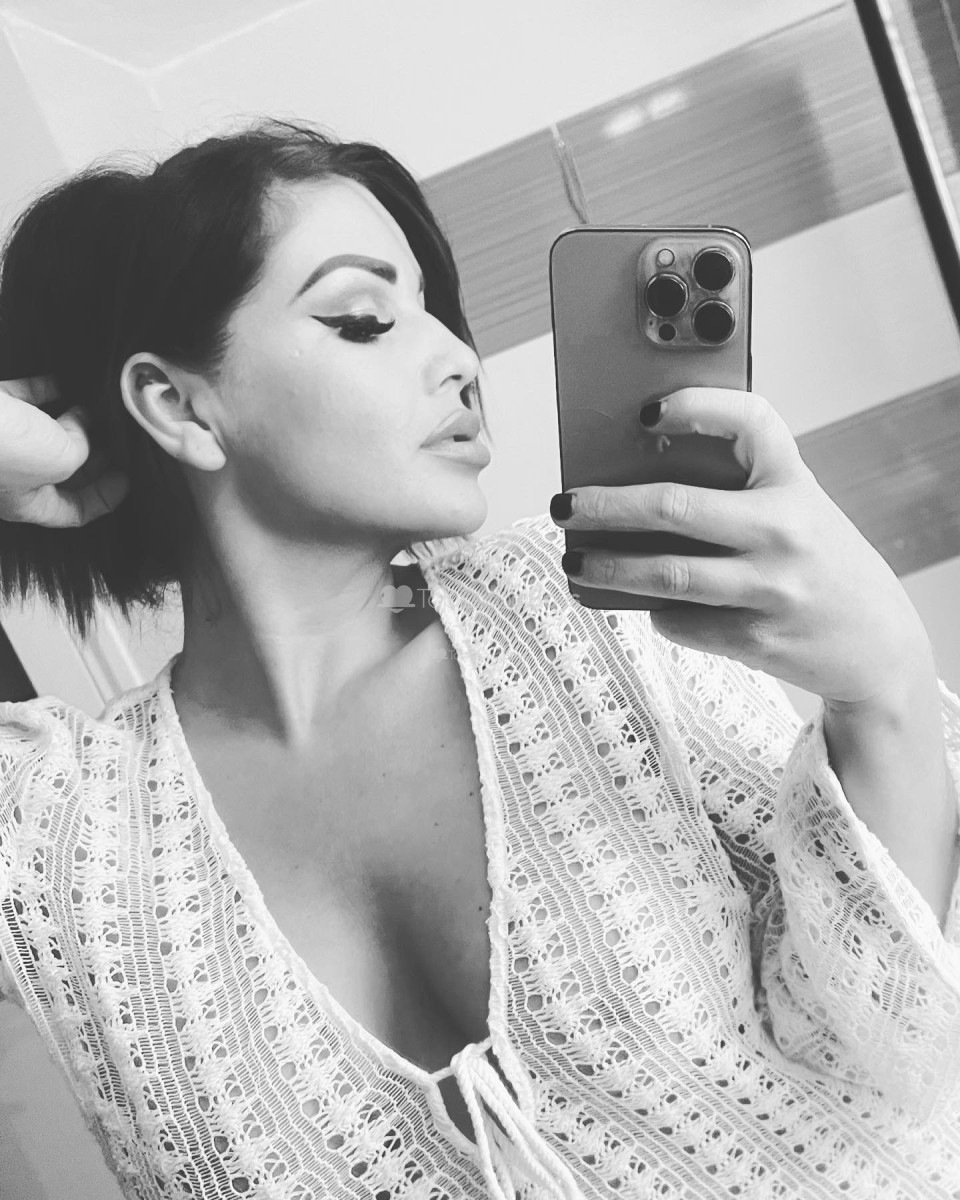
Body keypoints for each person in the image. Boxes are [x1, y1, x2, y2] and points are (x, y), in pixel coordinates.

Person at [0, 118, 958, 1200]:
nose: (459, 358)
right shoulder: (57, 831)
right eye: (364, 320)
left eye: (434, 310)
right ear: (176, 403)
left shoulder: (574, 610)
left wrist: (883, 688)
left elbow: (889, 1048)